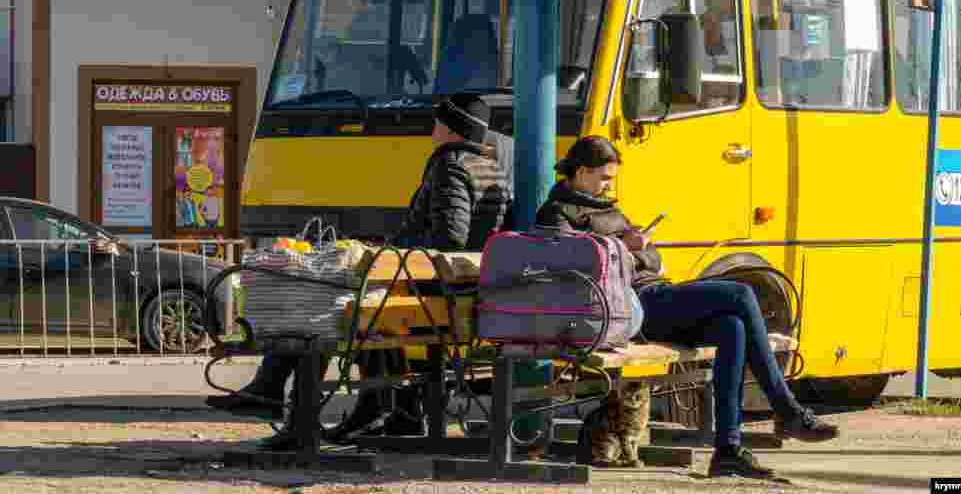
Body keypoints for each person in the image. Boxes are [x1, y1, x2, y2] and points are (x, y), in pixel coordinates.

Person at [206, 93, 511, 448]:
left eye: (439, 122)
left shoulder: (453, 164)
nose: (434, 128)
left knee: (317, 307)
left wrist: (392, 254)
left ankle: (280, 402)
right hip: (449, 292)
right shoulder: (490, 167)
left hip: (430, 290)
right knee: (338, 301)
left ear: (454, 129)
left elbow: (449, 238)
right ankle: (368, 407)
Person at [533, 135, 839, 478]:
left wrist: (638, 249)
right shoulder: (556, 212)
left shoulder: (609, 209)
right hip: (628, 308)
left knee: (731, 326)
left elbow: (652, 260)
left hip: (654, 292)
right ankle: (786, 409)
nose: (608, 186)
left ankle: (728, 449)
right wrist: (624, 246)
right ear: (582, 171)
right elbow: (571, 263)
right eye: (604, 178)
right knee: (740, 295)